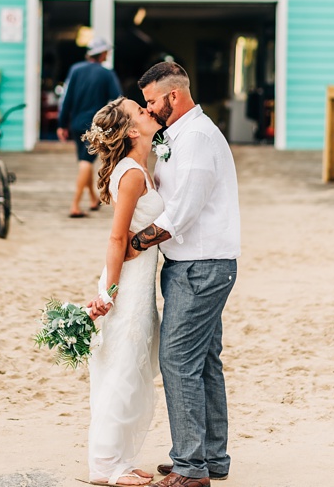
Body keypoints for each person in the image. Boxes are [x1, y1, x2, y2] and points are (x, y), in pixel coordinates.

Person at [126, 60, 240, 487]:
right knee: (205, 361)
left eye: (153, 101)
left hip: (201, 266)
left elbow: (181, 214)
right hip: (197, 264)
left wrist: (132, 246)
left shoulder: (195, 137)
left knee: (177, 361)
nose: (150, 109)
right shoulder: (180, 136)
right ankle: (211, 457)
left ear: (173, 95)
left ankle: (191, 469)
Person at [80, 97, 164, 486]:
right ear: (132, 130)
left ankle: (121, 459)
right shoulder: (131, 174)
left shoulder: (141, 168)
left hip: (141, 284)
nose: (149, 112)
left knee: (131, 368)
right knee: (120, 370)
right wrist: (110, 293)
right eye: (141, 111)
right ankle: (104, 467)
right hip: (127, 285)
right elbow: (117, 238)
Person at [59, 36, 124, 218]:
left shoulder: (75, 70)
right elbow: (118, 99)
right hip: (95, 125)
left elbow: (67, 99)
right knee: (86, 163)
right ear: (102, 53)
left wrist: (62, 123)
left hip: (76, 123)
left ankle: (93, 199)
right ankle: (75, 205)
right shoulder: (106, 73)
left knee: (83, 161)